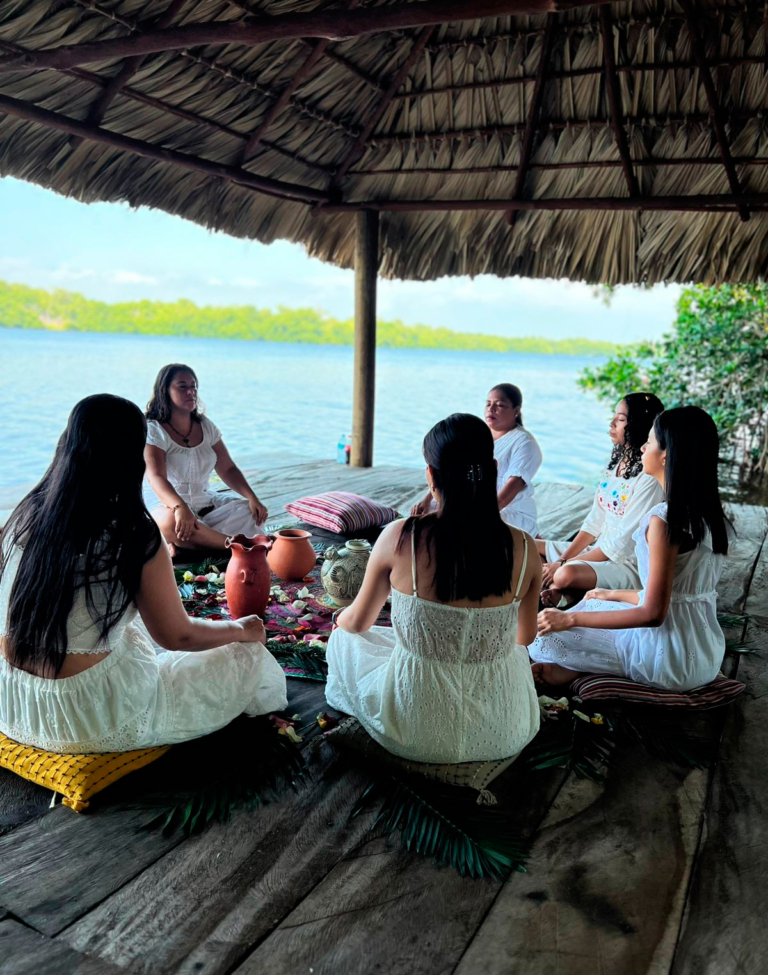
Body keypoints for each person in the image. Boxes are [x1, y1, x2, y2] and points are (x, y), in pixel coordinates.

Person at [0, 394, 287, 754]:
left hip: (13, 703)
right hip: (90, 718)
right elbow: (177, 637)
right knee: (248, 655)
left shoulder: (21, 515)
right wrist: (244, 628)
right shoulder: (131, 532)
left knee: (123, 623)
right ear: (130, 455)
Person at [326, 413, 542, 764]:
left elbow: (358, 623)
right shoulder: (525, 546)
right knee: (507, 650)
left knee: (345, 638)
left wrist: (340, 620)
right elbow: (525, 637)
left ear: (431, 476)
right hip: (504, 729)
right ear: (490, 470)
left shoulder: (400, 537)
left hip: (414, 728)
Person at [529, 406, 730, 692]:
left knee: (546, 637)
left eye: (650, 440)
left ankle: (577, 672)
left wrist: (568, 617)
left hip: (667, 662)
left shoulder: (664, 520)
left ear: (667, 454)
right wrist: (611, 593)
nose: (644, 446)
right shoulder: (708, 516)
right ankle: (576, 667)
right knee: (597, 601)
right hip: (706, 653)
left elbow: (653, 613)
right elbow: (677, 596)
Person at [537, 393, 665, 607]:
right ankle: (564, 592)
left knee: (563, 574)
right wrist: (561, 560)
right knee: (528, 546)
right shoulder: (616, 463)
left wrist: (563, 566)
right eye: (614, 416)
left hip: (625, 563)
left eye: (621, 419)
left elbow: (621, 546)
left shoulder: (648, 477)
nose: (612, 423)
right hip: (598, 552)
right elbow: (593, 522)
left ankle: (567, 592)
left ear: (639, 425)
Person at [144, 364, 269, 554]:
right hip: (165, 504)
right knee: (172, 523)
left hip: (204, 500)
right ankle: (241, 547)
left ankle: (191, 546)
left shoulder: (205, 425)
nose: (191, 392)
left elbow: (227, 468)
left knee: (247, 511)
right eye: (182, 386)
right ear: (164, 391)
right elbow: (156, 477)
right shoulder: (154, 429)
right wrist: (180, 507)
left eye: (194, 386)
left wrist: (252, 497)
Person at [411, 384, 543, 536]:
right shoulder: (478, 434)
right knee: (425, 515)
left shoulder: (524, 443)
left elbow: (513, 486)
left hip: (505, 508)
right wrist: (427, 498)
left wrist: (480, 514)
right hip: (469, 500)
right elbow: (448, 468)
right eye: (488, 404)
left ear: (516, 410)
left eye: (499, 405)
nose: (491, 409)